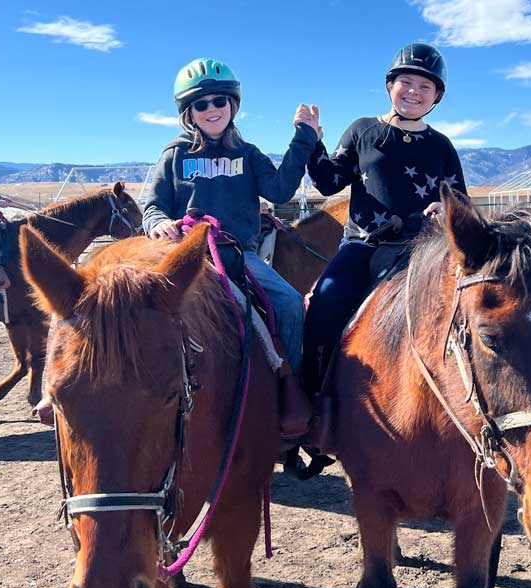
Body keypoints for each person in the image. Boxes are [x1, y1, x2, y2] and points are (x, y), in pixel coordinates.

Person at [301, 42, 467, 398]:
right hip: (365, 243)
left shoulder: (442, 146)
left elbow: (461, 202)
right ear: (390, 85)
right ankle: (313, 398)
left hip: (426, 250)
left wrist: (447, 210)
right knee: (324, 302)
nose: (414, 92)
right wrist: (313, 143)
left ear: (436, 96)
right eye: (406, 82)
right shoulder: (363, 131)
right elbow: (329, 182)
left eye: (425, 86)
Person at [143, 57, 320, 374]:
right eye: (201, 104)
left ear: (232, 104)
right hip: (185, 256)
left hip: (238, 255)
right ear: (189, 113)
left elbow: (279, 191)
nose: (211, 109)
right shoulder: (175, 154)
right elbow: (154, 206)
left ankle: (292, 382)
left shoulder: (248, 153)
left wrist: (303, 137)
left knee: (291, 303)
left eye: (219, 100)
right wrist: (158, 224)